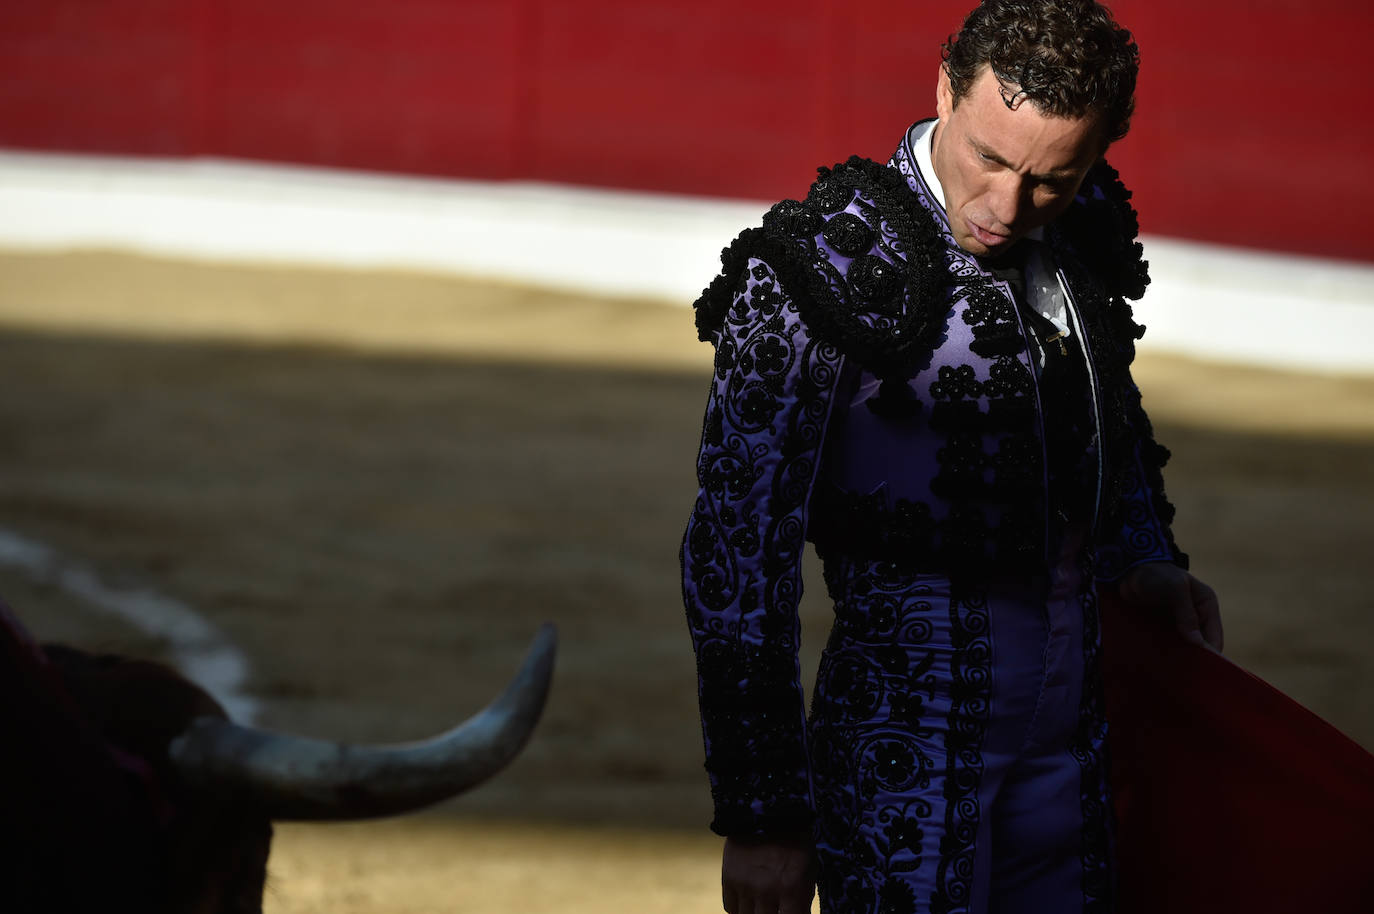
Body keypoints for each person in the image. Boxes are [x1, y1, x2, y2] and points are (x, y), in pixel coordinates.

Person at [679, 1, 1223, 912]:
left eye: (1053, 177)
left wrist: (1142, 554)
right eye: (990, 159)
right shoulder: (822, 263)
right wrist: (765, 812)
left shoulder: (1081, 231)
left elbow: (1108, 416)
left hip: (1076, 725)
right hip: (904, 732)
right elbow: (737, 553)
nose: (1008, 208)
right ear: (945, 88)